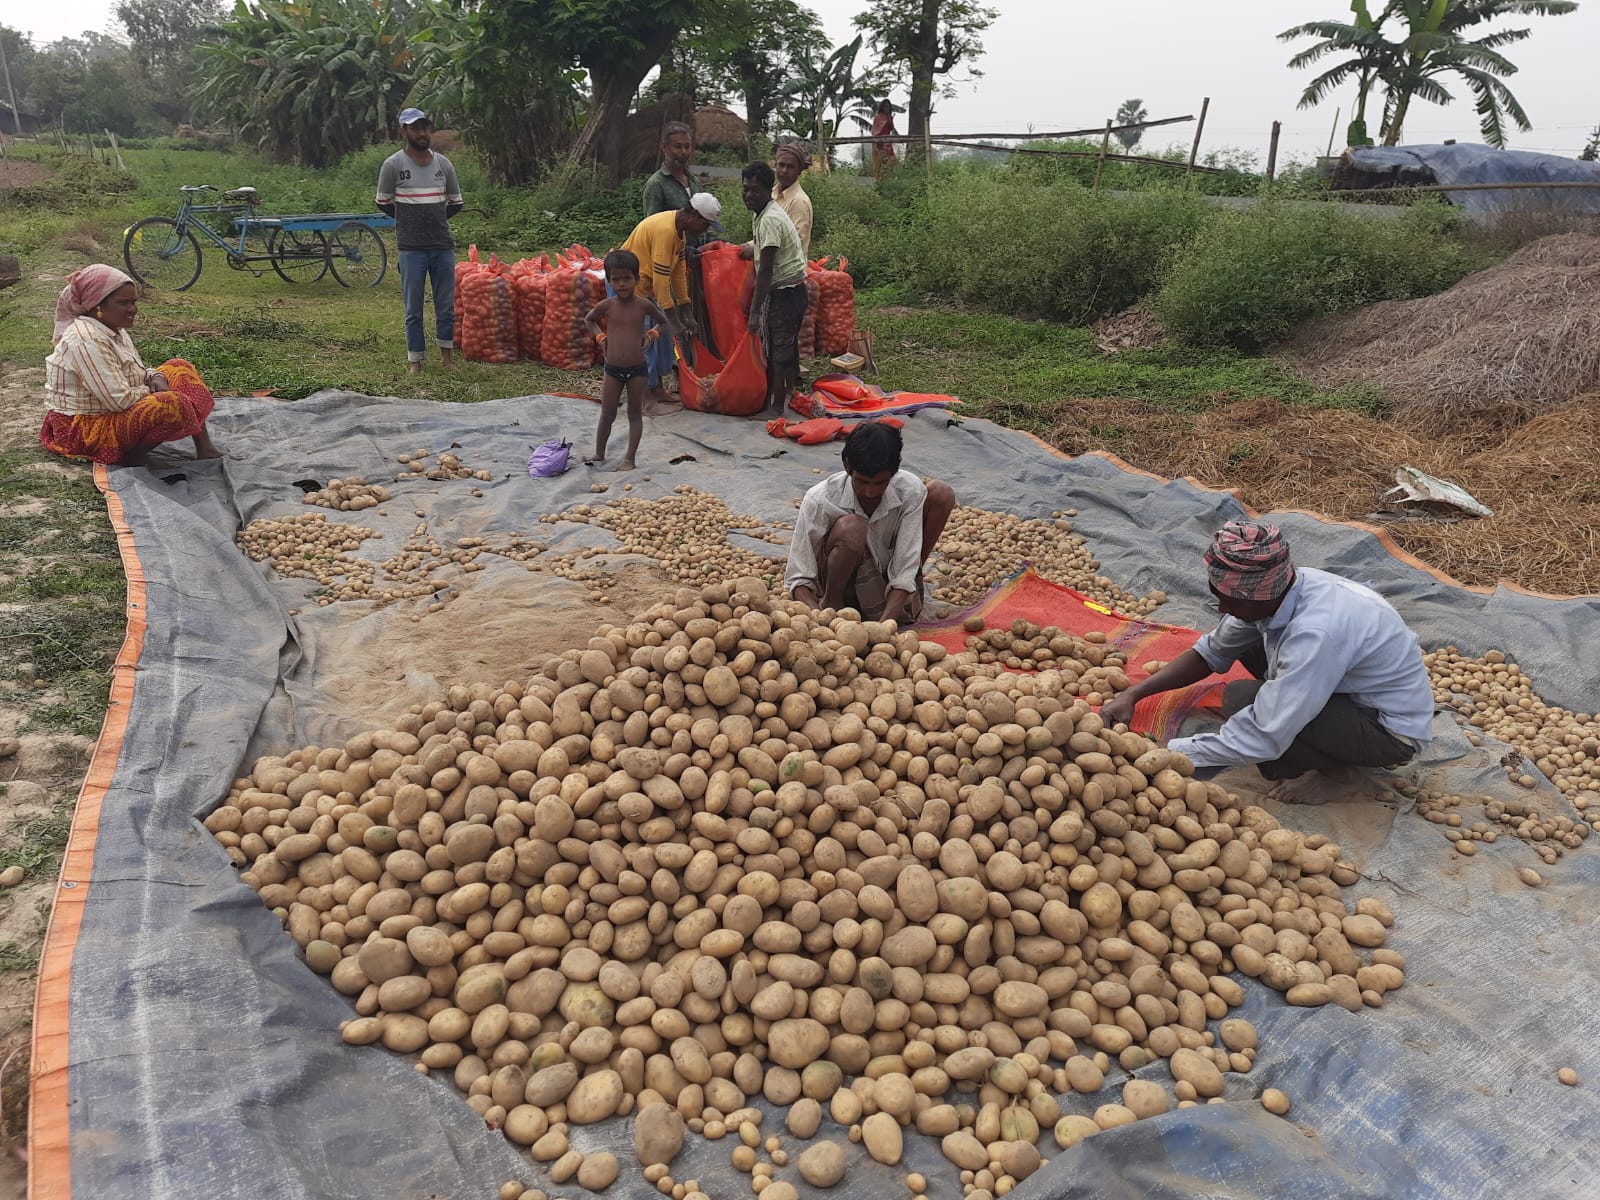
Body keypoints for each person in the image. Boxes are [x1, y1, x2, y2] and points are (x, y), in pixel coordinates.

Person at [1100, 520, 1435, 804]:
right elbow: (1210, 652)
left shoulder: (1315, 633)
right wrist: (1134, 694)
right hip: (1347, 690)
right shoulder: (1278, 590)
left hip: (1389, 732)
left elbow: (1264, 734)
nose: (1221, 609)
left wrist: (1165, 752)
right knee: (1243, 643)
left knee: (1242, 699)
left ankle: (1339, 775)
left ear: (1258, 596)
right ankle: (1316, 730)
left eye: (1229, 601)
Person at [41, 265, 221, 467]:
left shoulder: (113, 328)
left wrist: (155, 377)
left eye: (133, 302)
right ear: (97, 305)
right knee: (170, 403)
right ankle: (128, 455)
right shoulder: (85, 339)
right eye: (124, 303)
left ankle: (205, 448)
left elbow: (135, 372)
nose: (133, 309)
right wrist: (153, 392)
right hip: (84, 428)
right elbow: (119, 401)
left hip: (111, 412)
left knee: (179, 368)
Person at [785, 421, 955, 624]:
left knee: (941, 492)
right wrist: (820, 620)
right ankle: (832, 604)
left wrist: (884, 628)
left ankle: (897, 602)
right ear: (847, 467)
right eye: (862, 481)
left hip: (883, 585)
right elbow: (799, 576)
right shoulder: (820, 499)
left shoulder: (910, 491)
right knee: (852, 528)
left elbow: (904, 568)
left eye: (880, 483)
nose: (870, 492)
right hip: (840, 583)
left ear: (894, 472)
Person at [376, 106, 464, 374]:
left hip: (442, 246)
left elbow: (456, 202)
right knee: (413, 308)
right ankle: (416, 360)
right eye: (415, 128)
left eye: (425, 127)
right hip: (411, 249)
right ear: (404, 131)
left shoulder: (443, 164)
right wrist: (409, 221)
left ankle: (447, 359)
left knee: (445, 306)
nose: (422, 133)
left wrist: (435, 219)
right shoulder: (393, 165)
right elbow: (383, 202)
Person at [618, 193, 722, 403]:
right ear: (694, 215)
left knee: (659, 340)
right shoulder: (666, 231)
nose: (705, 230)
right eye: (705, 224)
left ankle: (657, 390)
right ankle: (645, 398)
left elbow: (678, 272)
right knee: (644, 342)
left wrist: (686, 310)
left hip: (645, 285)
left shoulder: (679, 234)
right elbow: (661, 281)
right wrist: (674, 321)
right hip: (627, 284)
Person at [583, 250, 670, 472]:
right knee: (607, 412)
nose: (622, 284)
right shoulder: (607, 306)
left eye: (626, 279)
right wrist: (600, 336)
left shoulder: (644, 305)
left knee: (634, 412)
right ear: (609, 281)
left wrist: (651, 335)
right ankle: (599, 453)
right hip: (613, 369)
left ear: (636, 279)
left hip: (637, 370)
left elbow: (663, 322)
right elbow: (589, 320)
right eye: (616, 279)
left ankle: (629, 458)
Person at [738, 161, 807, 415]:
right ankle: (778, 397)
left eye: (755, 190)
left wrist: (754, 313)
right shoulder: (763, 214)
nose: (749, 195)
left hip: (786, 293)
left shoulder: (769, 218)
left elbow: (765, 271)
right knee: (780, 348)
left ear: (769, 190)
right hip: (786, 290)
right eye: (745, 189)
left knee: (779, 352)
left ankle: (777, 407)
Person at [641, 121, 699, 225]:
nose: (683, 152)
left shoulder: (694, 182)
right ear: (664, 148)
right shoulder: (656, 184)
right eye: (677, 147)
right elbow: (652, 228)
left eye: (687, 146)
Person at [772, 143, 814, 257]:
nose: (784, 170)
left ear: (799, 171)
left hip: (789, 272)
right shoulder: (772, 195)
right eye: (781, 165)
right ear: (775, 165)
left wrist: (755, 249)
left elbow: (793, 244)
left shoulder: (799, 201)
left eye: (790, 167)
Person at [871, 100, 899, 179]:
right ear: (882, 107)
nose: (886, 108)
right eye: (885, 106)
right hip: (878, 141)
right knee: (878, 162)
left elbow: (891, 127)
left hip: (887, 141)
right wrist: (886, 119)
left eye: (888, 107)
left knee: (891, 160)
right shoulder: (878, 116)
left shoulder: (889, 116)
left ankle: (889, 178)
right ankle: (878, 180)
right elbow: (877, 129)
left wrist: (889, 118)